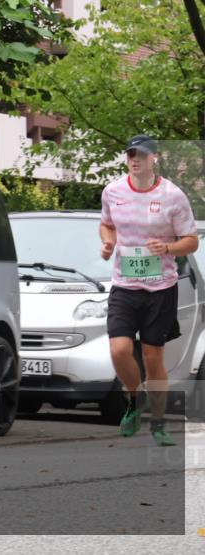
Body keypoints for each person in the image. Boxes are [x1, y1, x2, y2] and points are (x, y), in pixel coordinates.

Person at [99, 135, 199, 446]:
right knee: (119, 350)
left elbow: (191, 241)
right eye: (131, 154)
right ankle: (134, 399)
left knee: (152, 356)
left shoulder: (173, 195)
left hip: (160, 288)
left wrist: (167, 247)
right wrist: (108, 242)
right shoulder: (113, 191)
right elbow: (107, 224)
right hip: (124, 286)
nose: (135, 160)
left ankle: (157, 423)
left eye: (141, 155)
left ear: (154, 158)